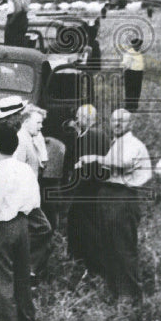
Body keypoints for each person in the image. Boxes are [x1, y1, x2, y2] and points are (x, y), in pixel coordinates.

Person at [0, 123, 39, 321]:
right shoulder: (25, 169)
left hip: (1, 228)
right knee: (22, 276)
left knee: (0, 279)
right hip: (22, 224)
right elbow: (34, 202)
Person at [97, 109, 152, 302]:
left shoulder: (133, 144)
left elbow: (123, 163)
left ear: (131, 124)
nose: (117, 124)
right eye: (114, 121)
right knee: (109, 244)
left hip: (123, 196)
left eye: (122, 121)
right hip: (110, 194)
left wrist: (95, 159)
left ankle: (130, 295)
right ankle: (116, 291)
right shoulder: (117, 143)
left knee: (123, 246)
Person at [6, 102, 54, 279]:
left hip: (30, 197)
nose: (41, 127)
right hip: (23, 199)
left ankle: (26, 270)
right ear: (25, 122)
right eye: (38, 123)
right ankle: (26, 269)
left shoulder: (31, 139)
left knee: (35, 233)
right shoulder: (21, 142)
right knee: (43, 229)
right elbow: (14, 171)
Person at [64, 104, 111, 274]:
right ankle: (83, 261)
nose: (76, 119)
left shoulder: (92, 135)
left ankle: (92, 266)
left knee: (87, 226)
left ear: (86, 118)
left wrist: (77, 182)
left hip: (89, 188)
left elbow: (87, 166)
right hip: (94, 187)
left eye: (78, 116)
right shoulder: (98, 134)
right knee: (79, 221)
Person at [120, 37, 144, 112]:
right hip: (131, 73)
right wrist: (122, 73)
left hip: (138, 74)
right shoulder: (129, 52)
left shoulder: (139, 53)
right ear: (134, 45)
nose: (139, 47)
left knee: (137, 90)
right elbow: (124, 64)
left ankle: (134, 106)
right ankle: (129, 106)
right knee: (130, 90)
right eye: (137, 45)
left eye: (139, 45)